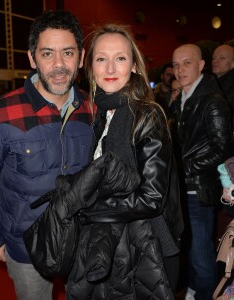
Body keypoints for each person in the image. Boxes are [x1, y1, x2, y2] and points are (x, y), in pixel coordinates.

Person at [28, 23, 184, 299]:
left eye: (120, 58)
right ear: (91, 67)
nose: (110, 69)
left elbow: (151, 199)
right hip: (114, 246)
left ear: (134, 65)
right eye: (101, 59)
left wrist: (88, 210)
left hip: (150, 248)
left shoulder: (147, 115)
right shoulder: (103, 114)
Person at [0, 10, 93, 300]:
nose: (59, 65)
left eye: (67, 52)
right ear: (32, 58)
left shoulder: (94, 109)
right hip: (25, 245)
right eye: (47, 53)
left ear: (81, 56)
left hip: (84, 240)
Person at [172, 44, 232, 300]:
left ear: (200, 65)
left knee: (200, 251)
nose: (180, 69)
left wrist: (186, 166)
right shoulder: (183, 98)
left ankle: (203, 294)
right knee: (191, 248)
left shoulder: (212, 100)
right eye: (175, 64)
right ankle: (195, 292)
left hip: (198, 187)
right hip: (183, 185)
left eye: (187, 63)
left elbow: (222, 148)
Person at [212, 44, 234, 131]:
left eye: (222, 58)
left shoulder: (230, 85)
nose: (215, 61)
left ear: (233, 63)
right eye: (213, 58)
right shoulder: (215, 82)